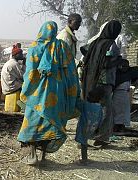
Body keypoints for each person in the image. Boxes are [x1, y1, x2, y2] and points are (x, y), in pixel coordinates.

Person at [18, 21, 80, 165]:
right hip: (57, 92)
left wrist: (25, 91)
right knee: (51, 123)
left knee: (32, 122)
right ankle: (44, 156)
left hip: (37, 94)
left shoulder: (34, 48)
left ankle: (32, 155)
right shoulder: (62, 46)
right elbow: (71, 71)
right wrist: (71, 92)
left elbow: (30, 73)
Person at [81, 20, 122, 146]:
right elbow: (106, 63)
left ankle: (83, 136)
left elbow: (84, 50)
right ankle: (100, 138)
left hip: (90, 81)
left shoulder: (95, 42)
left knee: (89, 109)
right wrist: (118, 61)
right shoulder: (111, 45)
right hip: (104, 83)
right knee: (106, 111)